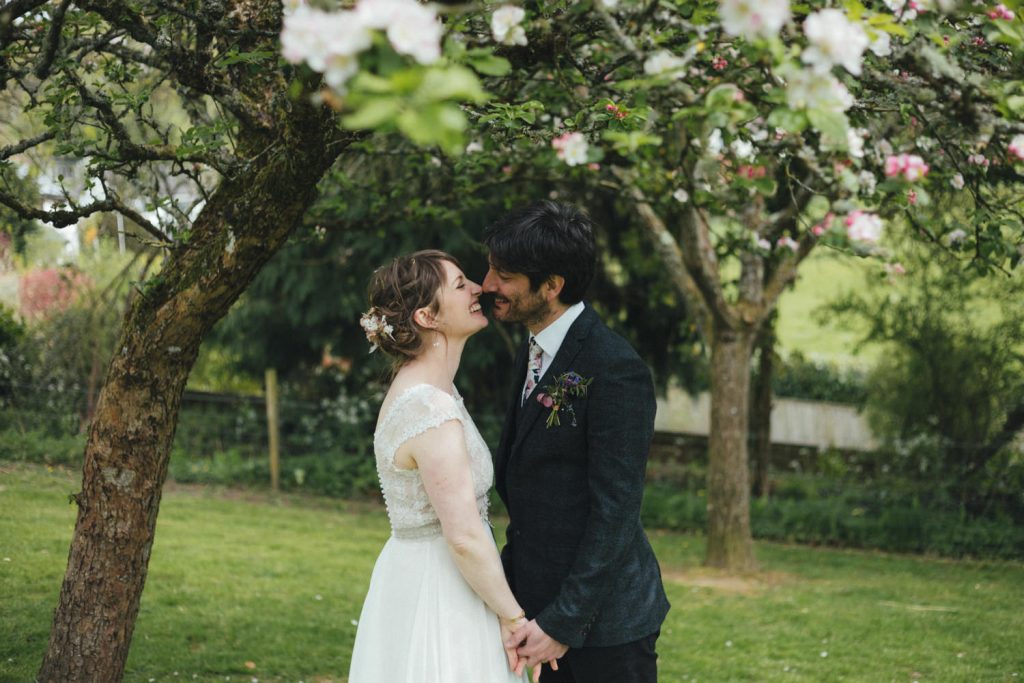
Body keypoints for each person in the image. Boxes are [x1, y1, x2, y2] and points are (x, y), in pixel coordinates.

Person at [482, 201, 670, 683]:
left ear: (552, 286)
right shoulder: (534, 349)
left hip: (605, 628)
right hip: (540, 610)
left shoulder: (614, 368)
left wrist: (563, 621)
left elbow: (616, 512)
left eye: (504, 275)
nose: (487, 286)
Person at [347, 250, 530, 683]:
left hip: (422, 574)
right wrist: (514, 618)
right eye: (460, 284)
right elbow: (464, 535)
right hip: (443, 589)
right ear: (428, 317)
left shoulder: (427, 391)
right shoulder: (428, 405)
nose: (478, 289)